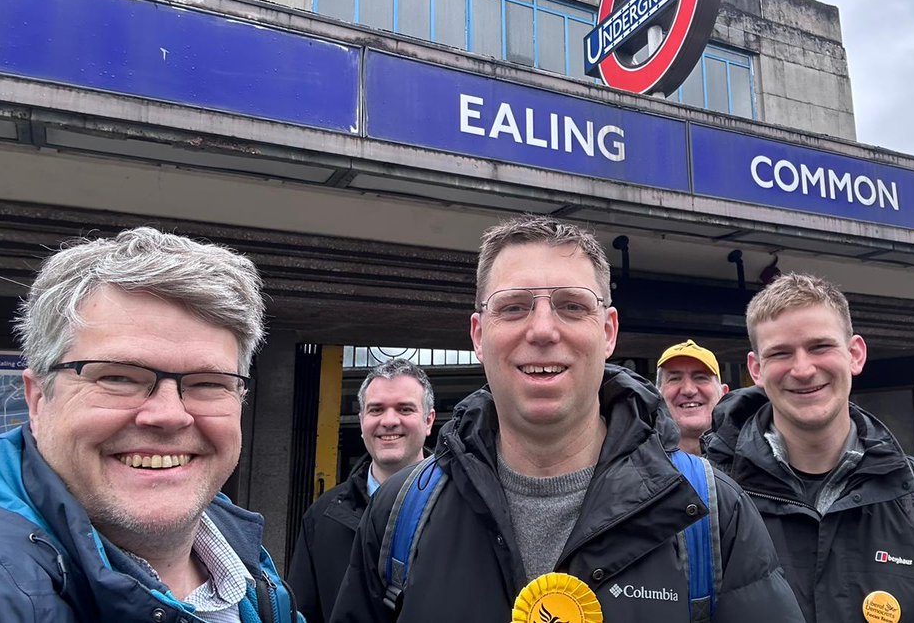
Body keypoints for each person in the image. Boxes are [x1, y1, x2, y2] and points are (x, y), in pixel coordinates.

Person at [331, 215, 802, 622]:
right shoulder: (400, 513)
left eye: (572, 306)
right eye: (513, 307)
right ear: (479, 334)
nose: (541, 329)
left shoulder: (711, 511)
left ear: (608, 331)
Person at [0, 227, 298, 621]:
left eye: (208, 383)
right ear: (38, 399)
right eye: (118, 377)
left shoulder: (243, 559)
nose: (169, 415)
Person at [705, 272, 914, 622]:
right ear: (756, 369)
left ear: (855, 354)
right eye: (780, 353)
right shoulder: (708, 501)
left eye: (820, 347)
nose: (803, 369)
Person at [288, 358, 435, 623]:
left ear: (429, 420)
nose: (389, 421)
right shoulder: (322, 517)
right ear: (361, 421)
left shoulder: (463, 506)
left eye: (405, 409)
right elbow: (302, 613)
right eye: (376, 410)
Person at [656, 340, 728, 456]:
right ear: (657, 396)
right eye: (675, 379)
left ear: (724, 394)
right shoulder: (636, 464)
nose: (688, 390)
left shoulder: (750, 459)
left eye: (700, 377)